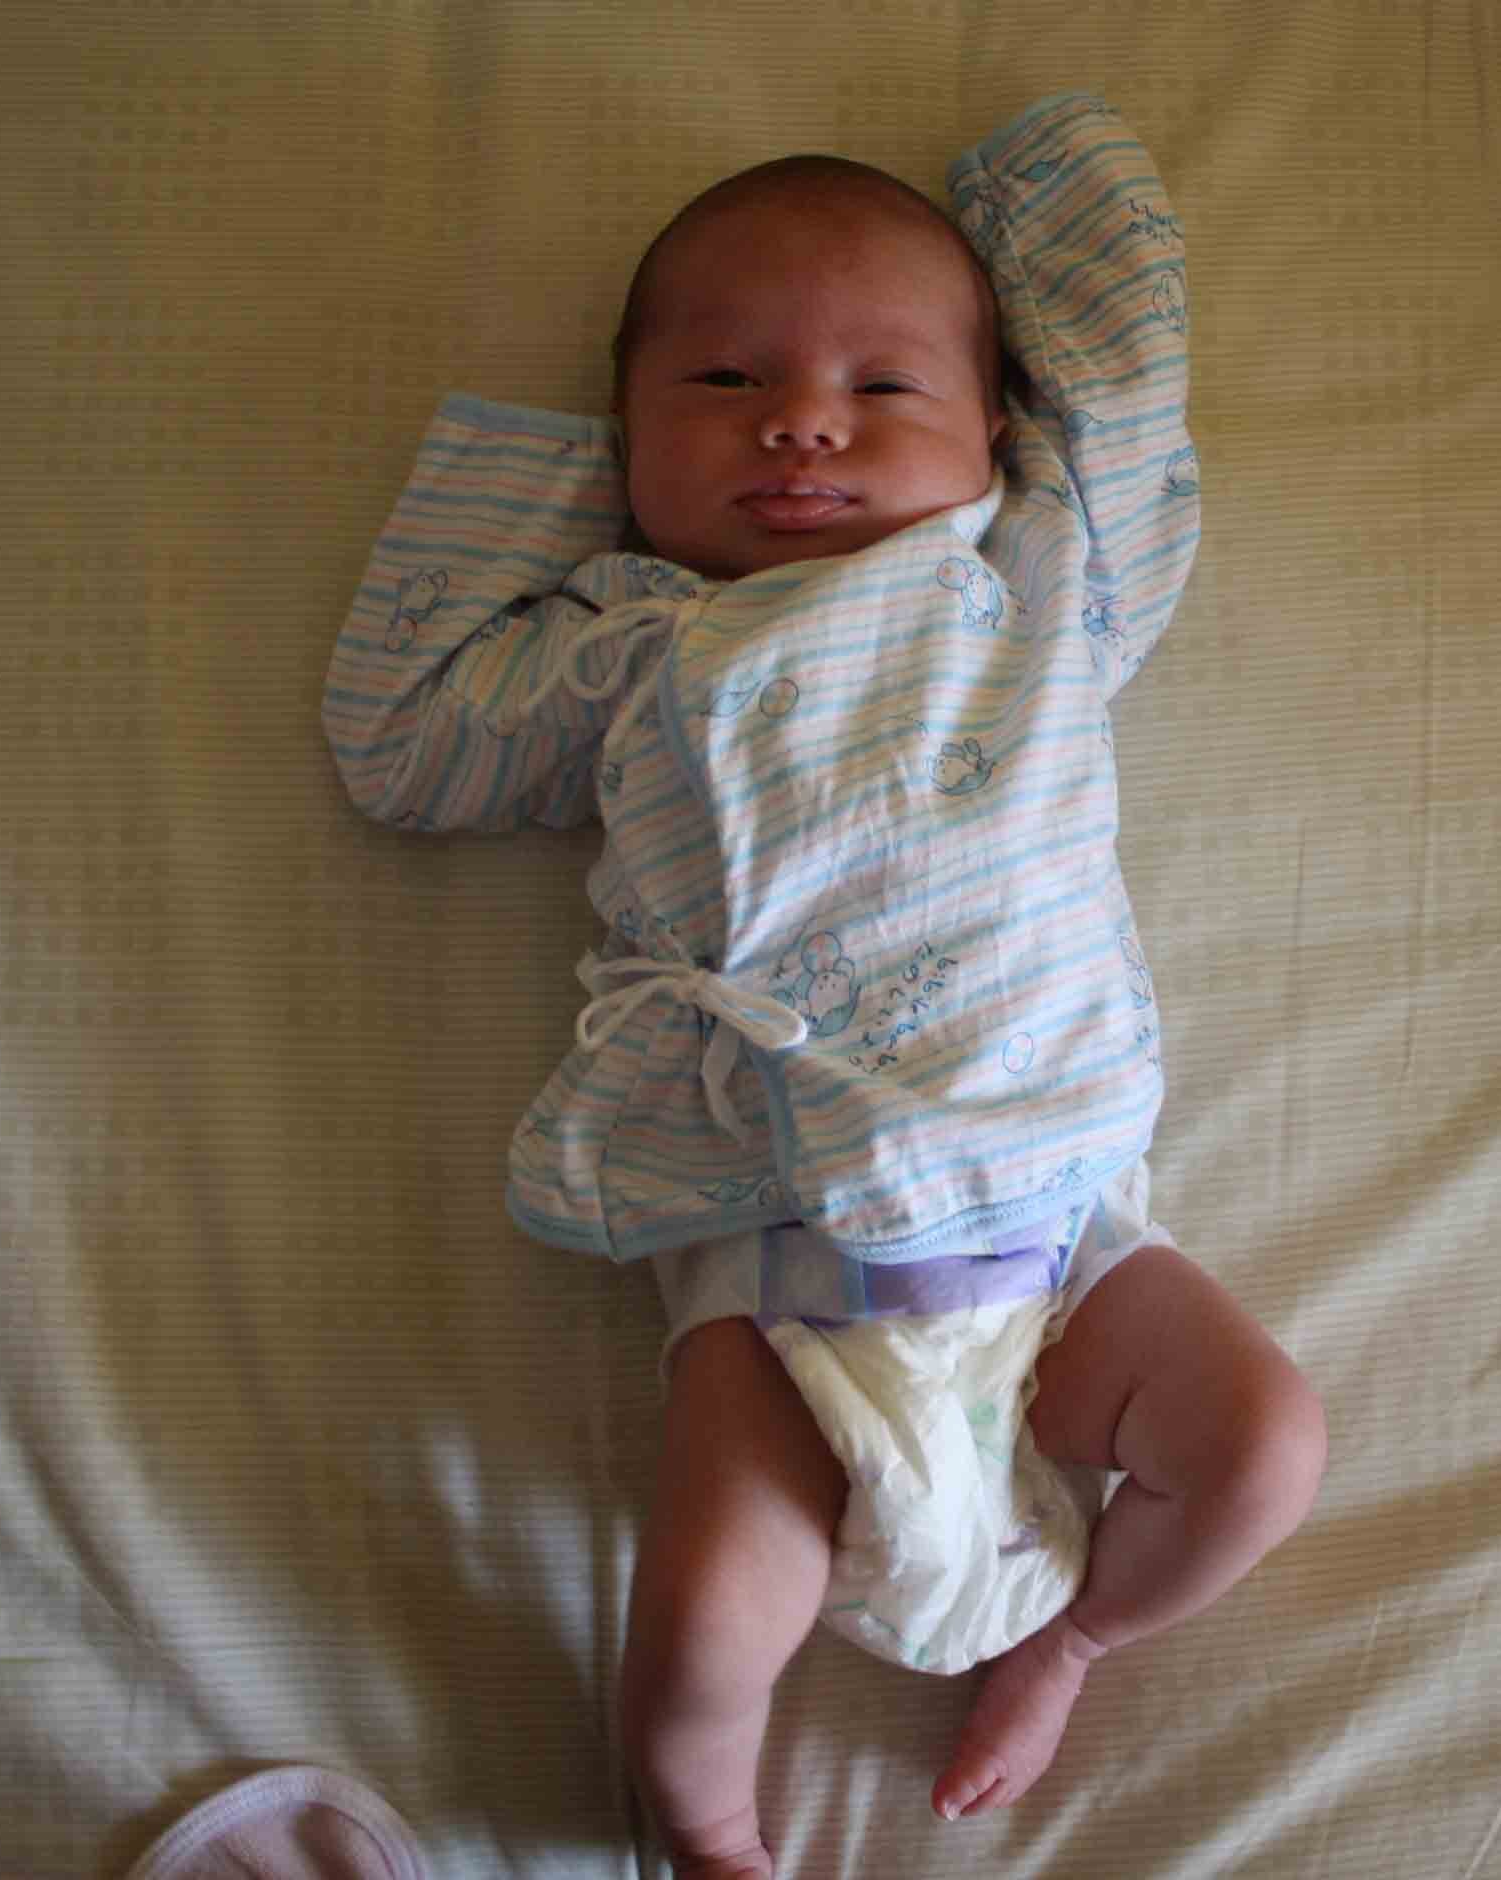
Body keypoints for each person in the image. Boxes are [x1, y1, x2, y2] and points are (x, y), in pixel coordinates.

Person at [322, 94, 1324, 1879]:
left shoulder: (1040, 586)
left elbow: (1123, 407)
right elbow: (401, 747)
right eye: (721, 384)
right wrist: (564, 479)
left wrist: (1039, 188)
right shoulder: (625, 640)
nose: (799, 420)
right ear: (630, 432)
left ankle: (1071, 1642)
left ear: (995, 430)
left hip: (1056, 1224)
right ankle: (711, 1832)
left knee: (1262, 1445)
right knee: (704, 1619)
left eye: (883, 384)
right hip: (779, 1243)